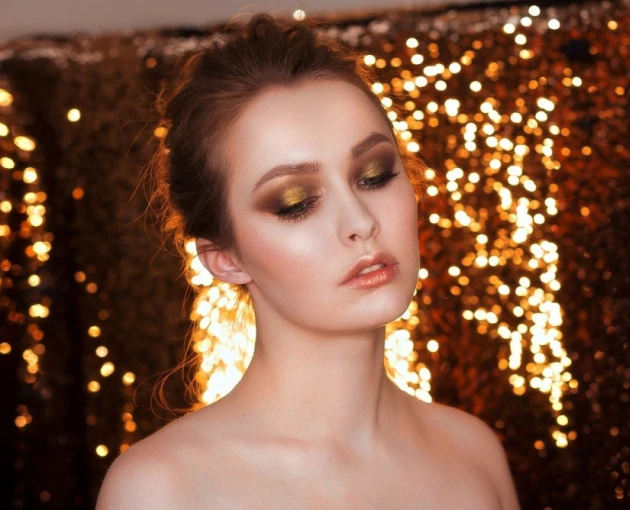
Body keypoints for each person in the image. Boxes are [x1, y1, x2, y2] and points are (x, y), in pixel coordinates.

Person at [96, 12, 521, 509]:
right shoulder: (162, 489)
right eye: (295, 202)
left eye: (375, 175)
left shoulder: (472, 453)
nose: (360, 221)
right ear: (224, 257)